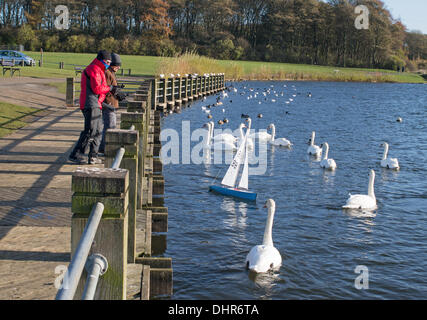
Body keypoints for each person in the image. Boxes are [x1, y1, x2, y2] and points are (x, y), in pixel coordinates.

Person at [68, 50, 116, 164]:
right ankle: (76, 155)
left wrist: (112, 91)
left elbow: (102, 88)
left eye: (109, 62)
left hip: (95, 104)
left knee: (98, 130)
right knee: (90, 131)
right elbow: (97, 89)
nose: (108, 64)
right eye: (107, 62)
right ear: (101, 60)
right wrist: (110, 89)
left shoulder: (99, 69)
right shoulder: (94, 69)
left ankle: (93, 156)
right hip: (89, 103)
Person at [99, 52, 126, 154]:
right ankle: (104, 148)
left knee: (111, 125)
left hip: (112, 103)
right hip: (108, 104)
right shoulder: (107, 73)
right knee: (109, 126)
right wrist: (115, 93)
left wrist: (118, 93)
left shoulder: (111, 73)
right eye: (117, 65)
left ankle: (105, 147)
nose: (118, 67)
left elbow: (112, 88)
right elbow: (105, 89)